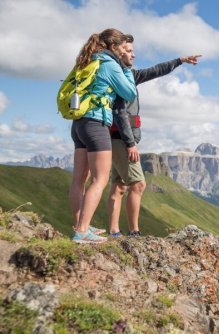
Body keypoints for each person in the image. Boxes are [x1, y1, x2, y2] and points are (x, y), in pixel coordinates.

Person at [107, 34, 201, 237]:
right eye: (129, 51)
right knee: (138, 184)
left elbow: (156, 70)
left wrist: (180, 61)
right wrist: (130, 143)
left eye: (133, 51)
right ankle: (134, 232)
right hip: (122, 139)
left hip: (114, 138)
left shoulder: (129, 75)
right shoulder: (121, 78)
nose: (133, 54)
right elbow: (120, 112)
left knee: (119, 184)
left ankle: (114, 231)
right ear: (118, 51)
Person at [69, 28, 137, 243]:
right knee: (100, 179)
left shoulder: (88, 60)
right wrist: (125, 68)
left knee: (79, 179)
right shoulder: (109, 64)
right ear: (114, 47)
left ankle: (81, 224)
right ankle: (81, 232)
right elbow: (129, 93)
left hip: (78, 123)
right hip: (96, 123)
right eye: (122, 49)